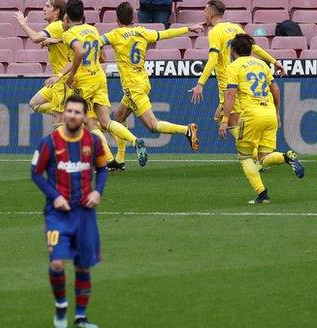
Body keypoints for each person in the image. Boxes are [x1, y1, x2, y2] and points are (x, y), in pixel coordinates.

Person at [31, 95, 109, 328]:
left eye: (78, 112)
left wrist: (98, 192)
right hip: (58, 214)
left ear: (85, 117)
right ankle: (61, 304)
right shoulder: (49, 142)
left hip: (85, 213)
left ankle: (81, 317)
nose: (73, 116)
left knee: (83, 266)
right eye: (70, 111)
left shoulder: (93, 142)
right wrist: (55, 196)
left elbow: (103, 168)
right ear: (64, 113)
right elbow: (35, 173)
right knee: (56, 263)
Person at [99, 1, 201, 172]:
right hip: (143, 81)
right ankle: (120, 160)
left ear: (117, 19)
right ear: (133, 17)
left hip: (133, 87)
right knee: (118, 118)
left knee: (153, 126)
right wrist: (187, 29)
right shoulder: (142, 31)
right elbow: (165, 34)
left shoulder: (115, 34)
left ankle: (187, 130)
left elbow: (96, 41)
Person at [47, 0, 148, 168]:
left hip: (84, 81)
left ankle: (105, 160)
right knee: (105, 121)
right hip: (100, 78)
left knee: (89, 123)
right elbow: (101, 56)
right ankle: (134, 140)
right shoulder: (93, 29)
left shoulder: (69, 34)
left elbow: (79, 52)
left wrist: (70, 76)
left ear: (68, 17)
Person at [220, 34, 304, 204]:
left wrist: (225, 119)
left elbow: (230, 94)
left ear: (232, 50)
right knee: (264, 158)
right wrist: (277, 112)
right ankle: (287, 157)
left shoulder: (234, 66)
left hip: (251, 115)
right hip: (269, 113)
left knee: (245, 157)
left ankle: (262, 194)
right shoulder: (261, 64)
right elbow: (276, 90)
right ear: (250, 49)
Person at [189, 0, 286, 139]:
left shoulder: (214, 32)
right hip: (241, 78)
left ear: (210, 13)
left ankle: (251, 153)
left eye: (205, 11)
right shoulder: (236, 27)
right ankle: (252, 148)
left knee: (231, 122)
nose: (204, 14)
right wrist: (275, 61)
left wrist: (200, 83)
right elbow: (253, 47)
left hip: (227, 83)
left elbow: (213, 59)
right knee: (220, 117)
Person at [14, 0, 68, 127]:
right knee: (35, 103)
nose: (44, 8)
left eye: (48, 6)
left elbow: (35, 38)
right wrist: (53, 40)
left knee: (57, 121)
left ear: (57, 11)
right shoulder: (60, 27)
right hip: (57, 80)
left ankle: (68, 115)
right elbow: (64, 40)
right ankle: (68, 114)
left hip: (64, 79)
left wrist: (23, 24)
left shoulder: (56, 25)